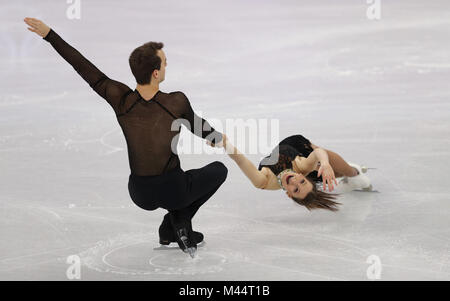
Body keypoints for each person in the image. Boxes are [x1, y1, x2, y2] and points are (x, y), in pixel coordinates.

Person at [24, 18, 228, 257]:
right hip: (173, 189)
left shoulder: (121, 99)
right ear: (155, 73)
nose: (166, 65)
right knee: (218, 170)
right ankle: (180, 221)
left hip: (139, 192)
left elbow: (82, 66)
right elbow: (197, 126)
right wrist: (214, 136)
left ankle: (169, 231)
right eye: (164, 63)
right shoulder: (176, 101)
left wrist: (50, 35)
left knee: (176, 185)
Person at [208, 134, 371, 211]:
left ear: (289, 194)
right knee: (322, 159)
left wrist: (224, 143)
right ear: (304, 178)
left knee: (336, 170)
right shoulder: (302, 169)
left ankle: (349, 173)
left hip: (297, 154)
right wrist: (326, 164)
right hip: (298, 147)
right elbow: (318, 153)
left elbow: (240, 160)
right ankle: (351, 172)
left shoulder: (263, 181)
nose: (295, 181)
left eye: (295, 189)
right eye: (302, 182)